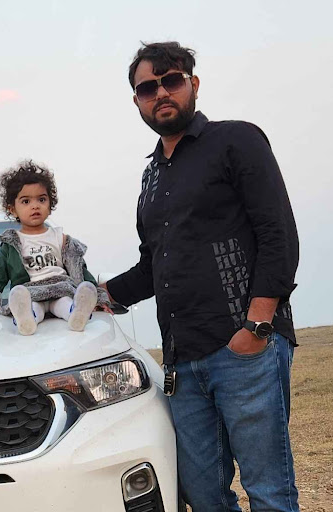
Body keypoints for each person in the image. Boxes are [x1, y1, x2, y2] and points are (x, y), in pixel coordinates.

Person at [101, 42, 300, 511]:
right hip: (183, 363)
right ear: (136, 101)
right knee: (203, 495)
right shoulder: (152, 177)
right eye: (147, 88)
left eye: (170, 81)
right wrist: (94, 294)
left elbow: (277, 234)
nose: (160, 93)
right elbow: (153, 266)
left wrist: (256, 327)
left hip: (244, 350)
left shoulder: (236, 140)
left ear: (192, 83)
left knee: (268, 491)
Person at [0, 160, 111, 335]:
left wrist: (97, 297)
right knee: (31, 307)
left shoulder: (61, 238)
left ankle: (77, 315)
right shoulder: (12, 244)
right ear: (12, 209)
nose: (35, 205)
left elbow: (81, 270)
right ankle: (26, 320)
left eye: (42, 199)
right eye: (26, 201)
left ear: (50, 205)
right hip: (30, 293)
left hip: (60, 289)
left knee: (65, 303)